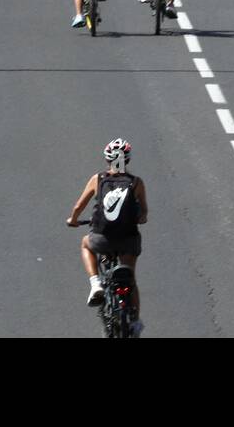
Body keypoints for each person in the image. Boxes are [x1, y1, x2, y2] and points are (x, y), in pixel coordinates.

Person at [66, 137, 147, 335]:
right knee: (130, 279)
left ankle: (95, 284)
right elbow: (143, 215)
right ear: (127, 160)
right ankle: (135, 323)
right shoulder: (136, 183)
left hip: (102, 239)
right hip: (128, 240)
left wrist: (73, 220)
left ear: (107, 159)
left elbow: (78, 207)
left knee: (86, 243)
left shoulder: (98, 179)